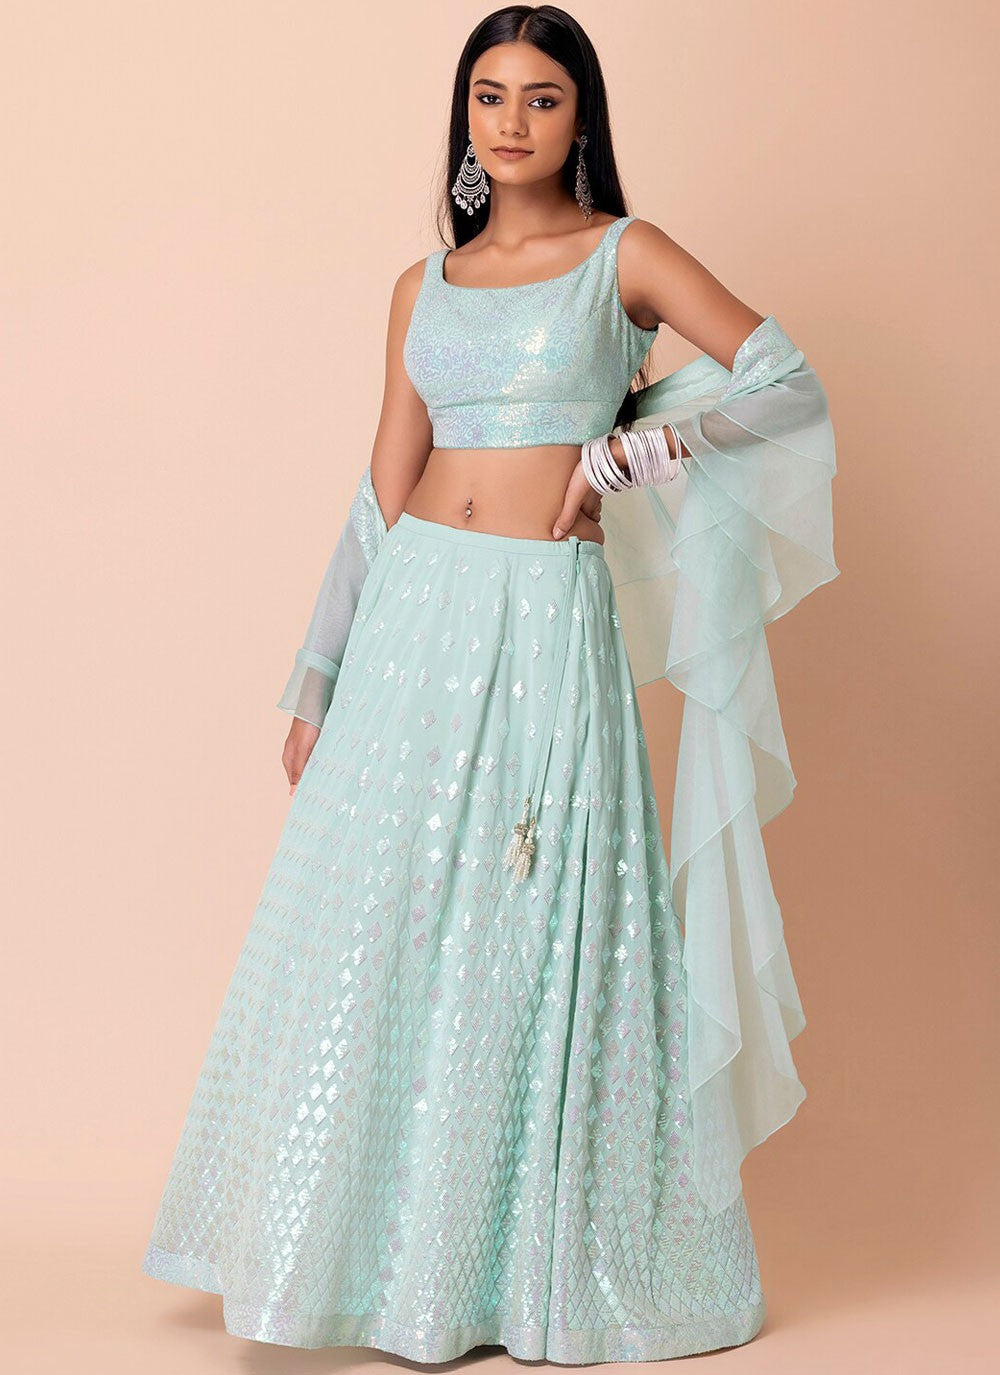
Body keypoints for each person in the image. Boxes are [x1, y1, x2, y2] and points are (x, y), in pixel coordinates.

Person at [140, 5, 839, 1363]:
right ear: (463, 117)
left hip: (541, 618)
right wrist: (318, 674)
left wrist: (630, 454)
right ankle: (369, 1264)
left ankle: (507, 1273)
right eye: (490, 96)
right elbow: (381, 486)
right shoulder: (425, 285)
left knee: (527, 920)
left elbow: (785, 382)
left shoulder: (624, 256)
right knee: (382, 925)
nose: (512, 121)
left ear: (582, 120)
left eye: (543, 98)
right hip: (414, 615)